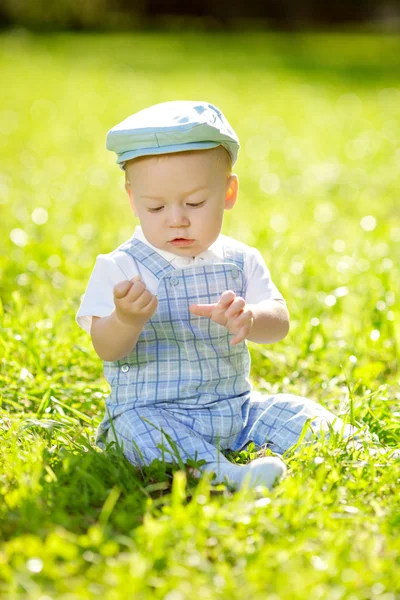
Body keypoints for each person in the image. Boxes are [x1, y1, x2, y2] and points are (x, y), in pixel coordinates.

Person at [76, 100, 361, 490]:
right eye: (155, 206)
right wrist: (125, 320)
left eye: (195, 203)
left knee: (298, 412)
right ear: (132, 199)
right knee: (135, 431)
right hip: (154, 411)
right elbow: (106, 348)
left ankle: (363, 449)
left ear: (228, 191)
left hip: (237, 410)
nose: (176, 217)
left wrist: (251, 318)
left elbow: (278, 322)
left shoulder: (240, 260)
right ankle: (227, 475)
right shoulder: (121, 267)